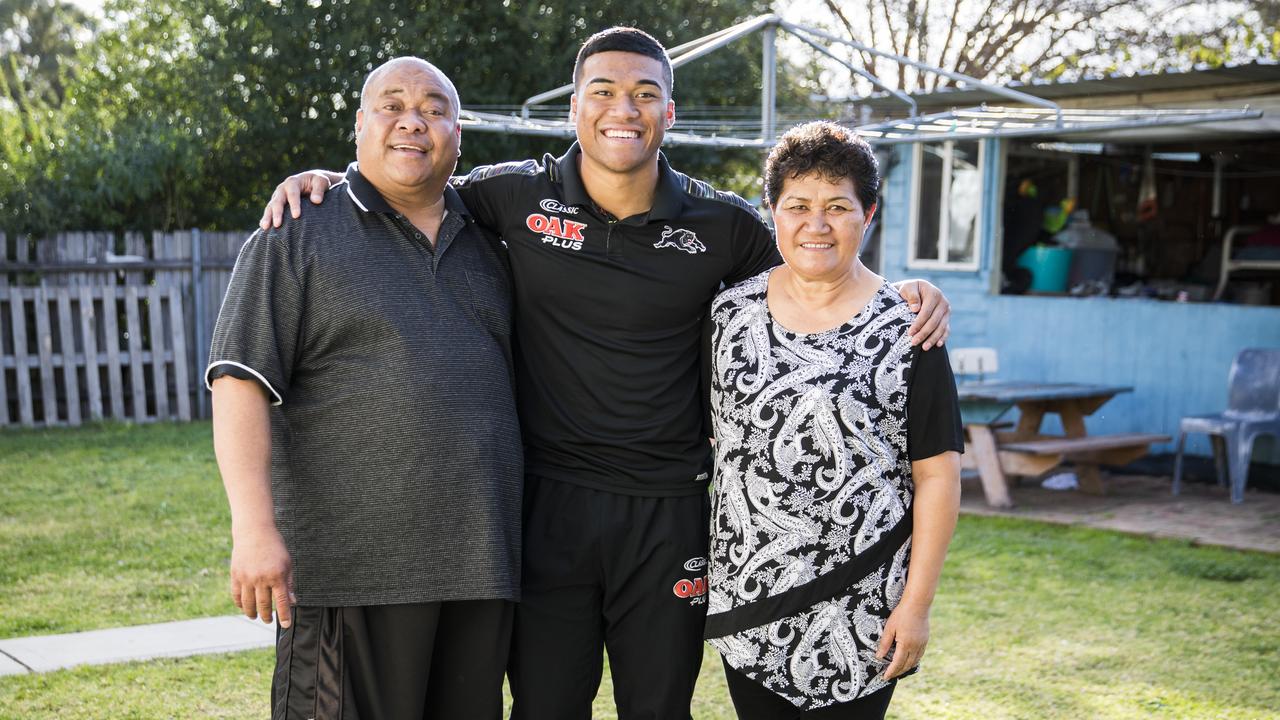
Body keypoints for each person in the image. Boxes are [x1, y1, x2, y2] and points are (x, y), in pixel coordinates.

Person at [260, 28, 952, 719]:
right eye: (604, 91)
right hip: (547, 509)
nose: (624, 108)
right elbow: (410, 179)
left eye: (645, 94)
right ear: (575, 109)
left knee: (657, 710)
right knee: (546, 707)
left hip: (670, 514)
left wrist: (907, 293)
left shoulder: (723, 225)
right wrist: (328, 180)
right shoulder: (511, 197)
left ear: (669, 114)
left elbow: (818, 258)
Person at [208, 57, 520, 720]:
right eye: (393, 105)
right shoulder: (297, 232)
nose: (414, 121)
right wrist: (253, 529)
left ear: (458, 135)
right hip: (352, 575)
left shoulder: (493, 239)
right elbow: (239, 381)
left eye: (435, 109)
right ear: (358, 126)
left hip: (480, 571)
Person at [703, 121, 964, 719]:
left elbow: (939, 478)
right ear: (772, 211)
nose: (816, 224)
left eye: (837, 206)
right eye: (797, 205)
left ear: (867, 214)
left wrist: (917, 605)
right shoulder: (727, 317)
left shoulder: (909, 328)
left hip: (866, 605)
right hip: (751, 601)